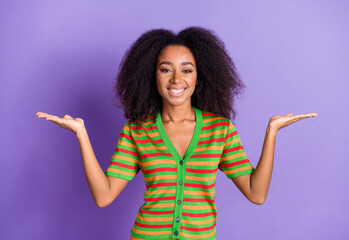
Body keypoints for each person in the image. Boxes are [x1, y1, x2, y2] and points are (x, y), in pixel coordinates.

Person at [36, 27, 317, 240]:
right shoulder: (138, 132)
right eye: (165, 69)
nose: (176, 79)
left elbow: (257, 194)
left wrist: (272, 132)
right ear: (152, 76)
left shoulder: (220, 131)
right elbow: (104, 196)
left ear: (199, 76)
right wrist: (81, 134)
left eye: (187, 69)